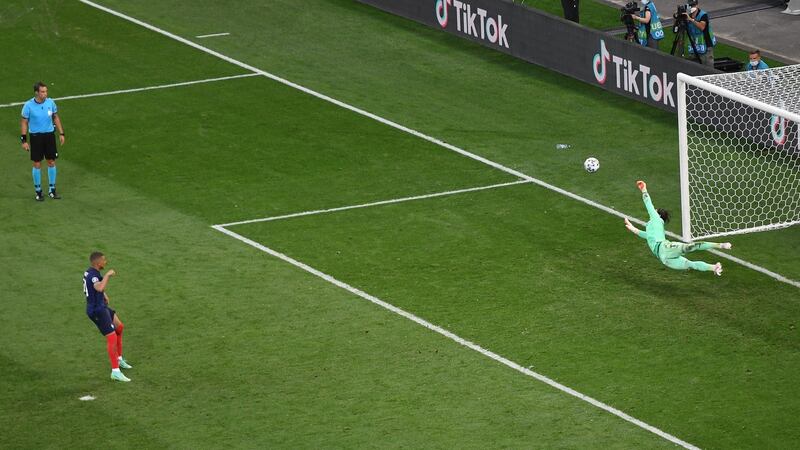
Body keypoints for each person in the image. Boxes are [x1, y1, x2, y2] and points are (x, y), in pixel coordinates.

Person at [623, 180, 731, 276]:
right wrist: (632, 228)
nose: (653, 210)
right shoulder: (652, 228)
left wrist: (644, 190)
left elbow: (648, 204)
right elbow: (644, 235)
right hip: (664, 258)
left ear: (657, 214)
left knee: (691, 247)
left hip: (665, 248)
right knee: (690, 264)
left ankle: (720, 245)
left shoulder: (656, 219)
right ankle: (713, 267)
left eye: (655, 210)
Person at [83, 252, 133, 382]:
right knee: (111, 337)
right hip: (97, 311)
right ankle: (115, 371)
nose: (106, 262)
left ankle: (119, 359)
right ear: (97, 263)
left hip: (101, 306)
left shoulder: (90, 272)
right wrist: (107, 275)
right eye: (104, 260)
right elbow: (98, 287)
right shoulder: (94, 276)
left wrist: (104, 294)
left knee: (119, 327)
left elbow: (96, 288)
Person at [20, 82, 65, 201]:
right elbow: (24, 122)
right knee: (37, 164)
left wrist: (61, 133)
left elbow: (55, 117)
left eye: (46, 91)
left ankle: (52, 190)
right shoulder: (28, 105)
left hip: (49, 136)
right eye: (43, 92)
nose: (45, 94)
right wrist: (24, 140)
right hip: (36, 137)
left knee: (51, 162)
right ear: (37, 92)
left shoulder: (51, 102)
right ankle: (38, 191)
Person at [685, 0, 716, 67]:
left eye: (693, 5)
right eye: (690, 6)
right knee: (693, 67)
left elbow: (702, 27)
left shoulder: (703, 15)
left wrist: (691, 19)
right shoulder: (687, 15)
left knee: (708, 68)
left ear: (697, 5)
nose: (692, 7)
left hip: (705, 45)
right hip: (694, 46)